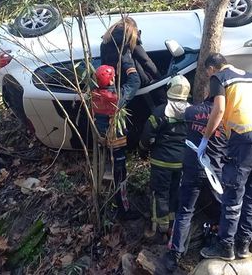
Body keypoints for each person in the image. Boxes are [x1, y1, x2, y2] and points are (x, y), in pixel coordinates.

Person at [199, 53, 252, 261]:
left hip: (245, 136)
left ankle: (225, 247)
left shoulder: (220, 78)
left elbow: (219, 109)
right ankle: (243, 246)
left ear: (211, 69)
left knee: (233, 193)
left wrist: (205, 139)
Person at [163, 98, 228, 272]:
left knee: (185, 211)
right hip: (215, 172)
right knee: (224, 209)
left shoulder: (191, 112)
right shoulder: (228, 117)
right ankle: (221, 244)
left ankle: (175, 254)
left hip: (193, 169)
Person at [139, 75, 192, 237]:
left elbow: (147, 135)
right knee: (175, 191)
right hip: (182, 162)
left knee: (160, 193)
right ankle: (173, 224)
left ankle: (160, 228)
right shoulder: (192, 111)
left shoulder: (161, 111)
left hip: (161, 162)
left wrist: (142, 150)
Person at [92, 65, 140, 220]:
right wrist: (129, 65)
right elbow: (134, 83)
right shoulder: (115, 97)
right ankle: (123, 210)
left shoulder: (93, 95)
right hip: (116, 145)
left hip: (102, 142)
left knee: (110, 172)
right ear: (111, 79)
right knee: (120, 177)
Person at [100, 17, 160, 105]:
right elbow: (146, 61)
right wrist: (159, 77)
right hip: (132, 79)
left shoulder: (105, 41)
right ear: (134, 28)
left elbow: (103, 65)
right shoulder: (131, 38)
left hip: (116, 83)